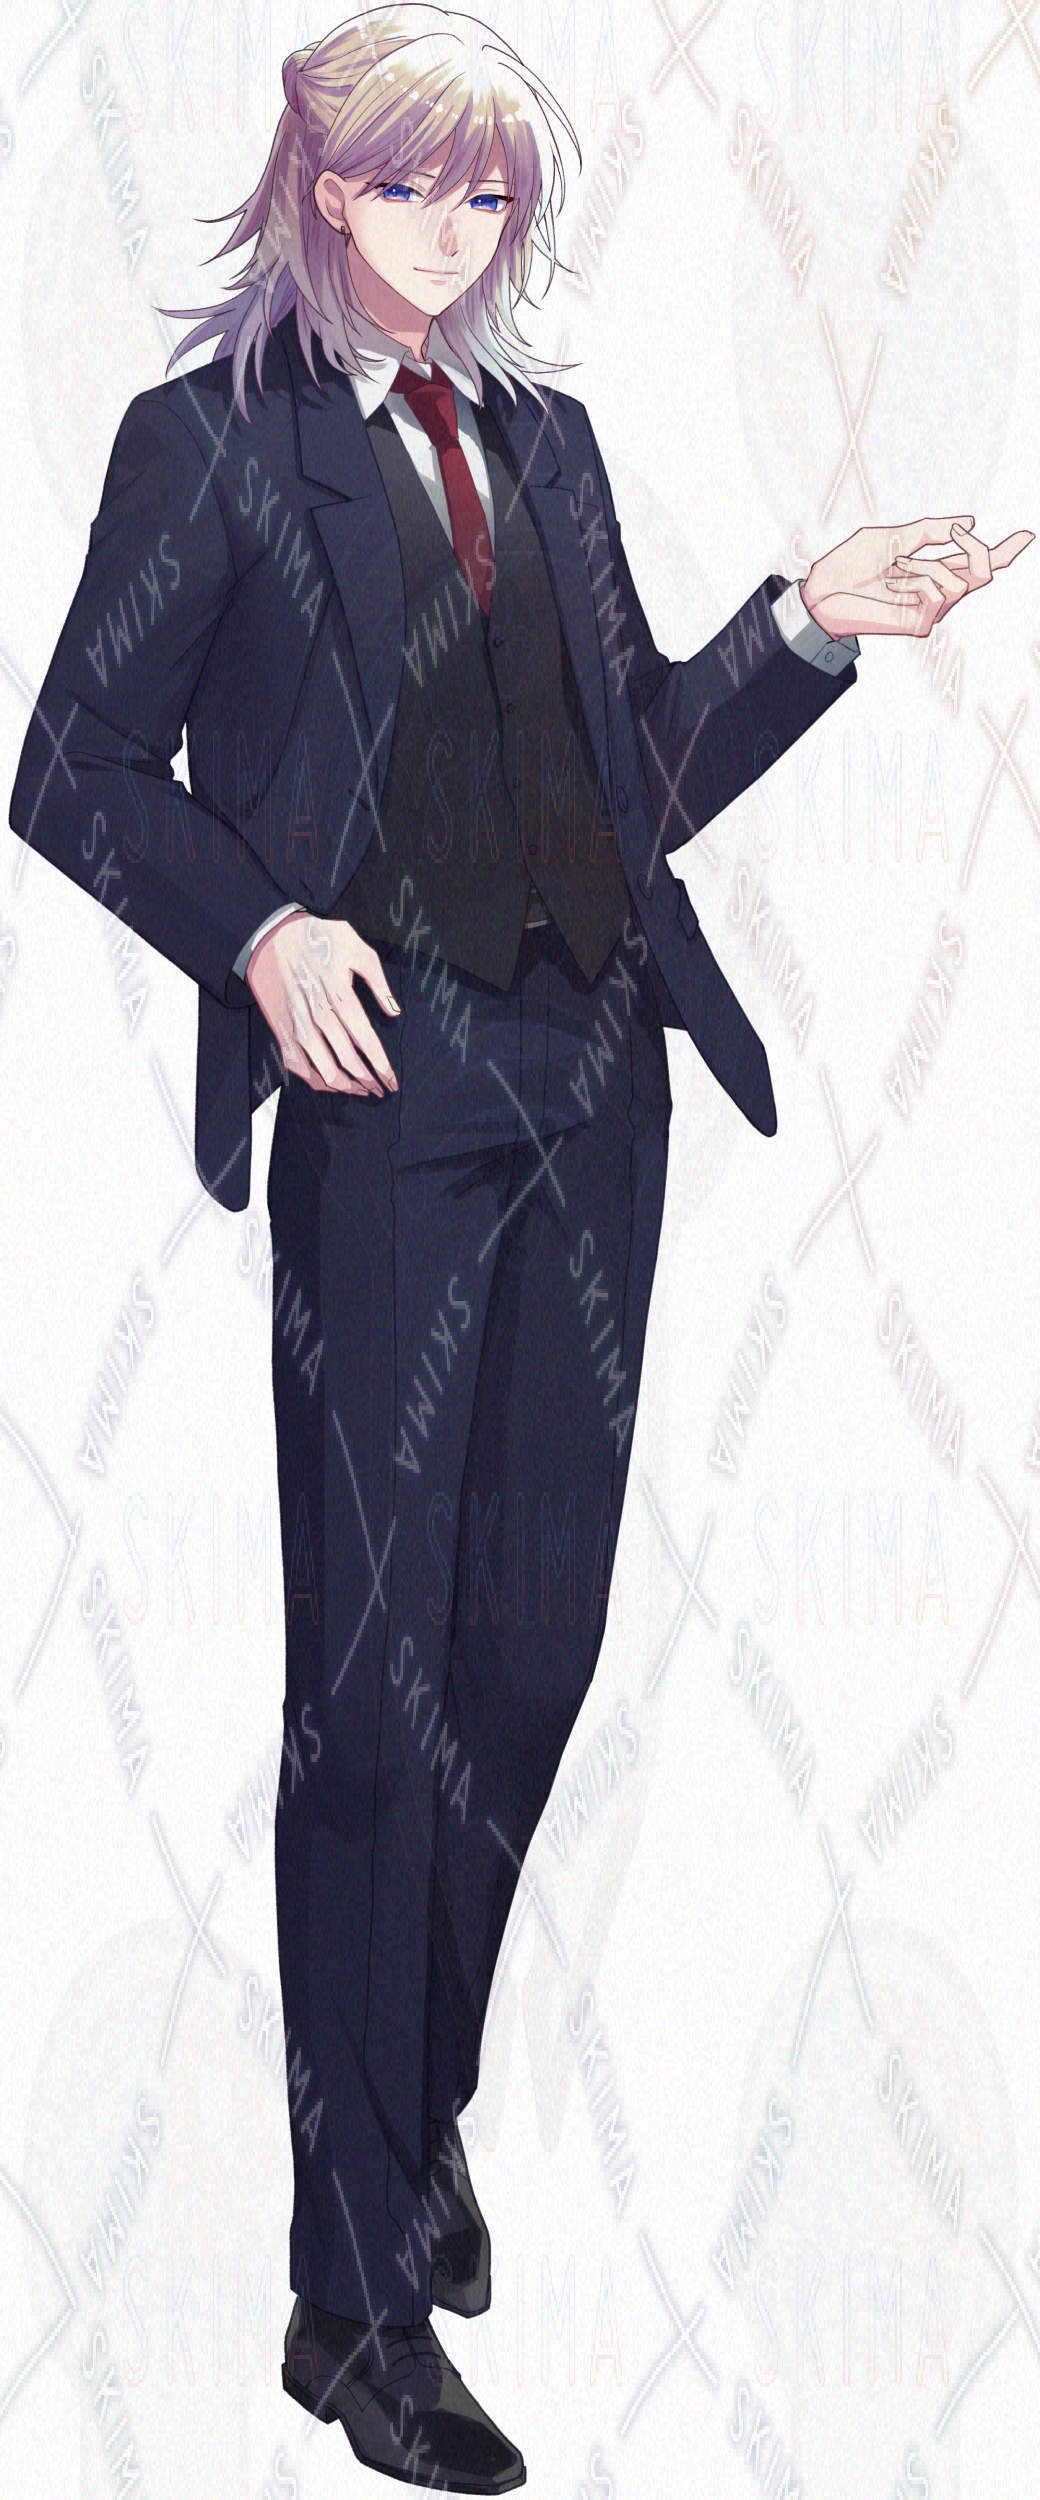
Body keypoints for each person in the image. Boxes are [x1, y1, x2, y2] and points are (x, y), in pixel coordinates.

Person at [8, 8, 1030, 2487]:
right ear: (322, 189)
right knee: (373, 1707)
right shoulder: (205, 442)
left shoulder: (548, 441)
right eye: (412, 189)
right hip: (383, 1109)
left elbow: (631, 765)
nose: (453, 238)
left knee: (528, 1666)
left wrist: (802, 624)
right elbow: (69, 774)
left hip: (591, 1097)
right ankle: (353, 2299)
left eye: (490, 200)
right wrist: (257, 930)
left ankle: (397, 2120)